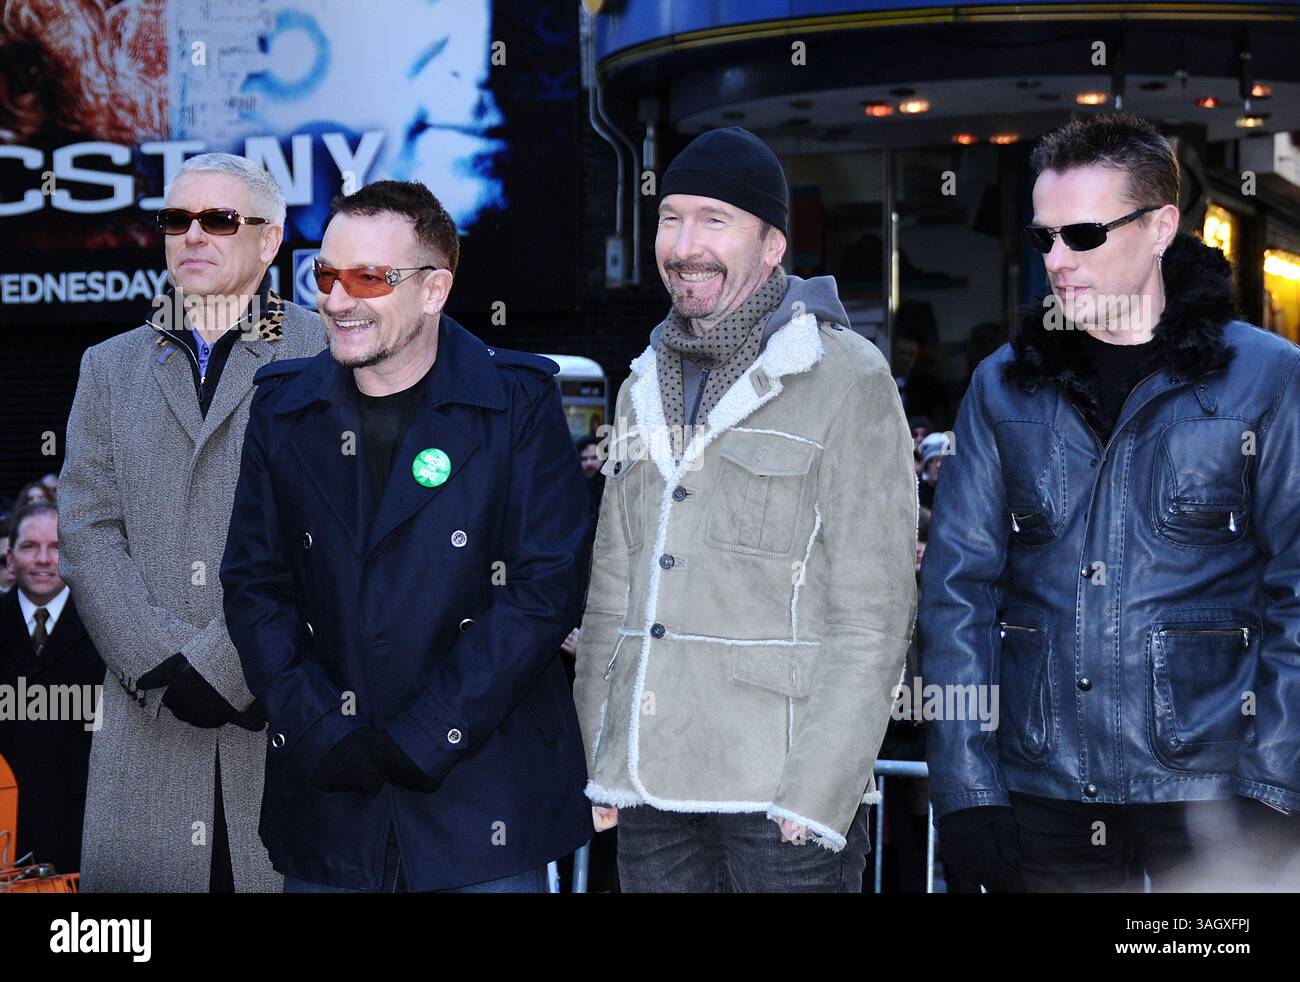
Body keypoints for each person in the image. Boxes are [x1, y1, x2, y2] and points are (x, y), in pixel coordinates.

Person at [920, 112, 1300, 892]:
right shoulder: (1001, 386)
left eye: (1083, 235)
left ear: (1162, 226)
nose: (1057, 261)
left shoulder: (1268, 380)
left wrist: (1277, 786)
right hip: (1043, 791)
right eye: (1043, 239)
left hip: (1214, 797)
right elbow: (957, 595)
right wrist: (964, 788)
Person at [220, 180, 592, 893]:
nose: (336, 298)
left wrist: (429, 734)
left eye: (369, 277)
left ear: (434, 289)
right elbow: (254, 587)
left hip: (482, 809)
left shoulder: (516, 401)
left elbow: (541, 593)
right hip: (330, 806)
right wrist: (322, 729)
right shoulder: (282, 409)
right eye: (325, 274)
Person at [572, 127, 917, 892]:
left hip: (781, 803)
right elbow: (611, 595)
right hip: (649, 793)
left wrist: (819, 792)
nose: (684, 245)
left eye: (714, 221)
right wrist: (602, 760)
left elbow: (875, 613)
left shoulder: (848, 379)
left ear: (772, 247)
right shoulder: (638, 386)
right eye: (671, 218)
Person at [58, 152, 323, 892]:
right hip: (150, 712)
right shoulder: (108, 367)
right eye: (177, 220)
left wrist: (232, 663)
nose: (193, 235)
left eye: (219, 219)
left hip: (283, 715)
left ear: (269, 242)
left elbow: (335, 537)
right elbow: (86, 528)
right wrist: (161, 660)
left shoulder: (325, 352)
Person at [0, 502, 104, 874]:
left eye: (56, 547)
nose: (43, 559)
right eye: (29, 547)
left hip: (80, 823)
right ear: (10, 560)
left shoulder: (105, 626)